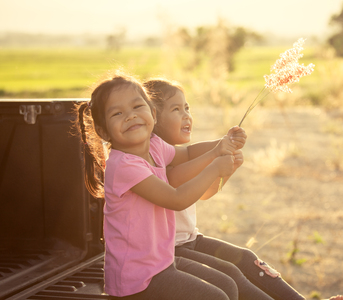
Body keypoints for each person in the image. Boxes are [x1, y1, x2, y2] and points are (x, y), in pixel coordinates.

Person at [144, 78, 343, 300]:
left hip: (191, 240)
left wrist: (226, 170)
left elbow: (204, 194)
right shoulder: (155, 159)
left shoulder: (177, 153)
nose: (186, 115)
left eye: (187, 108)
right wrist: (215, 161)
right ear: (153, 118)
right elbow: (174, 181)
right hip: (172, 249)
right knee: (232, 274)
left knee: (247, 259)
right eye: (176, 109)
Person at [76, 71, 243, 300]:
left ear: (152, 113)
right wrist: (214, 167)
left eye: (137, 107)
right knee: (217, 297)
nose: (130, 116)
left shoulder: (154, 146)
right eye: (117, 113)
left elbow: (186, 154)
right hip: (137, 279)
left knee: (228, 285)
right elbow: (176, 199)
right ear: (103, 131)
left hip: (161, 264)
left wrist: (220, 146)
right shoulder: (123, 165)